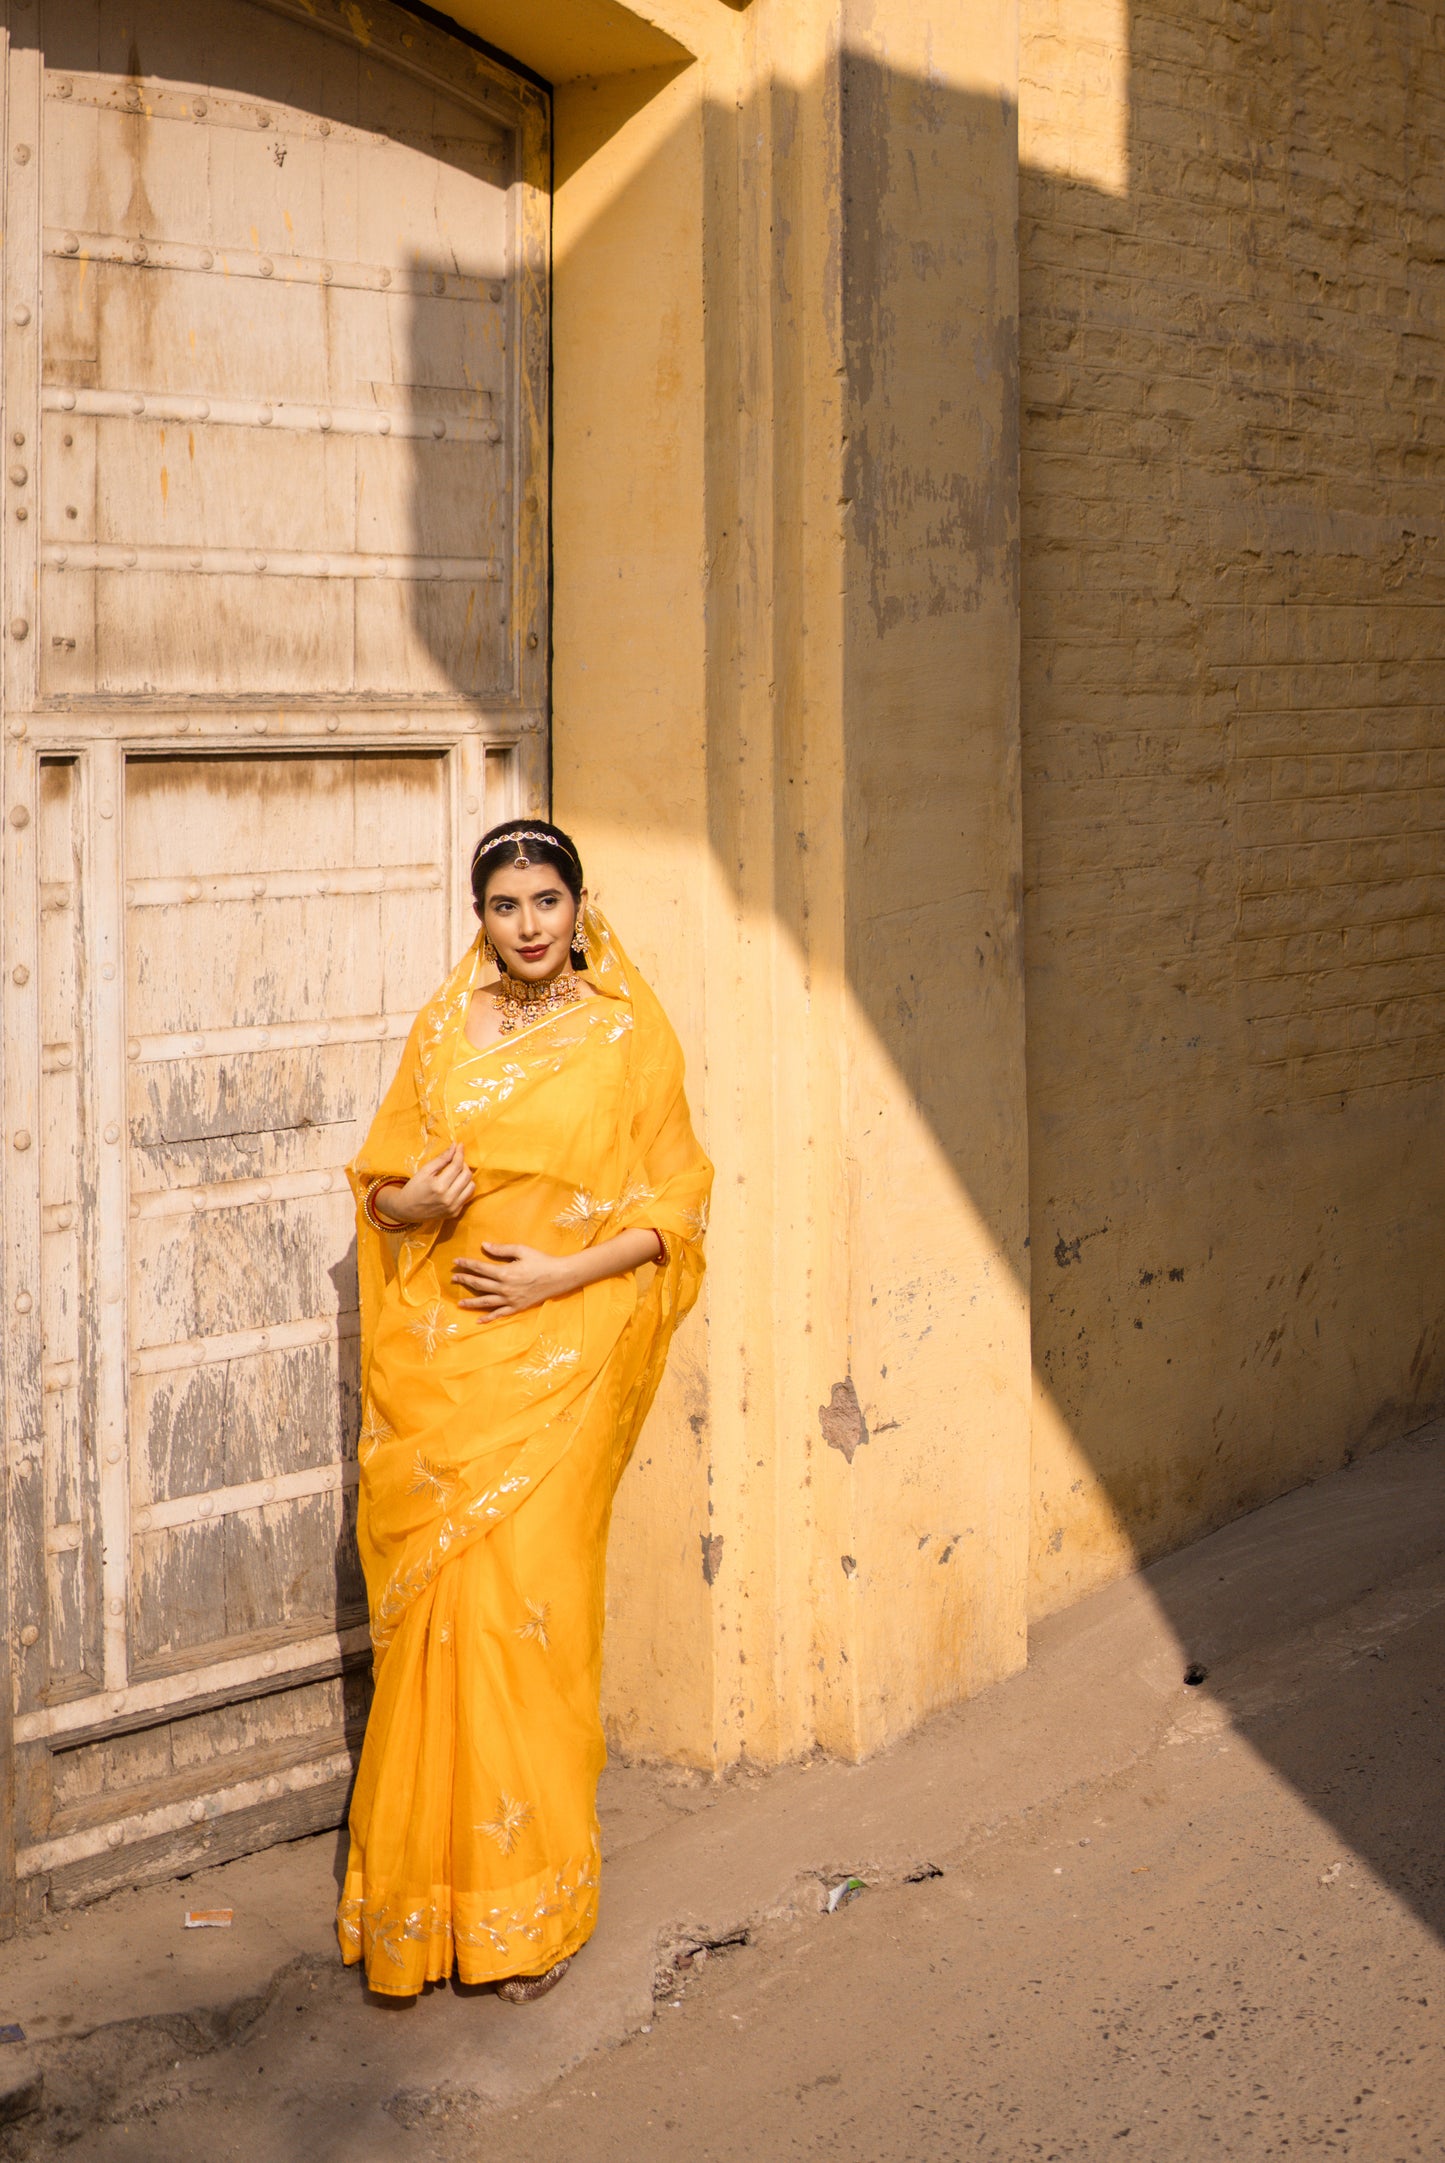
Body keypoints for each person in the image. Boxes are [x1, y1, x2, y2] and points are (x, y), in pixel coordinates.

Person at [336, 819, 712, 2001]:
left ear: (578, 904)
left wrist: (562, 1273)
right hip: (449, 1381)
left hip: (563, 1365)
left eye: (548, 899)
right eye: (506, 906)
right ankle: (424, 1910)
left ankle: (524, 1922)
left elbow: (679, 1209)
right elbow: (382, 1187)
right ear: (480, 919)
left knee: (529, 1626)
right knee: (443, 1630)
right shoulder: (447, 1030)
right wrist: (411, 1202)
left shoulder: (623, 1034)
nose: (531, 924)